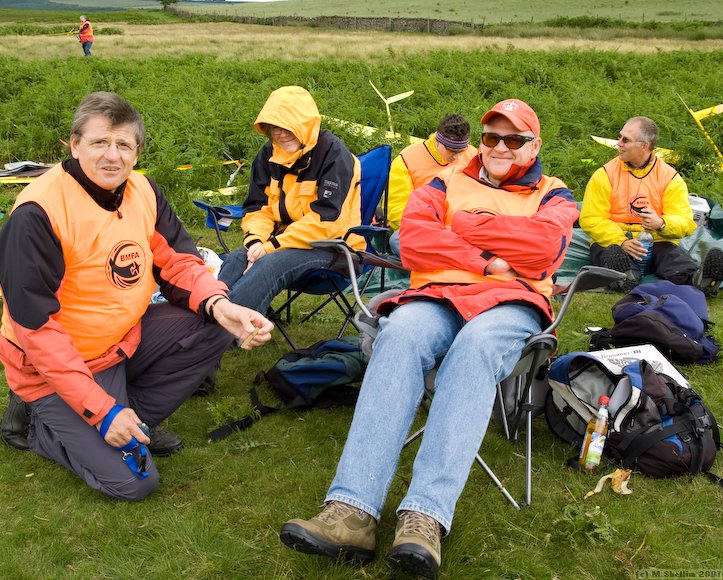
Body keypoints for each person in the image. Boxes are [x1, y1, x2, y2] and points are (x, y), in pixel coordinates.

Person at [279, 99, 578, 578]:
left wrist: (462, 225)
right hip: (438, 294)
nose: (500, 147)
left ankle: (425, 516)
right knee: (398, 335)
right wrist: (485, 259)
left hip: (511, 302)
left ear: (534, 146)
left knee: (476, 349)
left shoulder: (555, 194)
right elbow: (414, 239)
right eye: (492, 137)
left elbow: (542, 249)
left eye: (515, 139)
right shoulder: (445, 180)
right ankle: (352, 512)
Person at [0, 92, 273, 501]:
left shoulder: (142, 191)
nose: (112, 156)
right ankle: (41, 423)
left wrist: (222, 304)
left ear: (137, 151)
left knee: (216, 325)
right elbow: (36, 330)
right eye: (99, 143)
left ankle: (130, 423)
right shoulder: (38, 213)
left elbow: (180, 262)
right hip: (51, 366)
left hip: (117, 346)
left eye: (124, 145)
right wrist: (102, 410)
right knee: (135, 481)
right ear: (74, 145)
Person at [218, 85, 365, 315]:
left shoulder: (335, 156)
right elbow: (257, 208)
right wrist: (257, 241)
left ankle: (218, 332)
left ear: (305, 124)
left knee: (269, 264)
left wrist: (272, 246)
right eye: (275, 128)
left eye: (289, 127)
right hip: (284, 239)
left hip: (333, 248)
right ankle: (207, 315)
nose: (282, 134)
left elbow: (326, 223)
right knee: (238, 257)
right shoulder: (268, 154)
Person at [579, 116, 723, 295]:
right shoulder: (604, 175)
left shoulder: (670, 178)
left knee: (671, 257)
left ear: (644, 146)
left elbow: (685, 221)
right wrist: (621, 241)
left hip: (656, 240)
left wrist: (661, 223)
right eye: (619, 137)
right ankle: (624, 276)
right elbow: (590, 218)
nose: (618, 144)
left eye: (625, 140)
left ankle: (699, 280)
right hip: (614, 240)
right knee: (609, 252)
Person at [386, 114, 477, 255]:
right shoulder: (407, 160)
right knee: (397, 240)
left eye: (461, 151)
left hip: (464, 223)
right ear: (438, 141)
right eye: (452, 151)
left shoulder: (473, 155)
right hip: (426, 225)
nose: (458, 157)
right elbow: (397, 211)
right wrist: (433, 228)